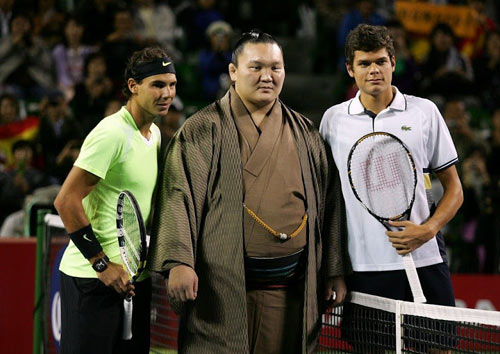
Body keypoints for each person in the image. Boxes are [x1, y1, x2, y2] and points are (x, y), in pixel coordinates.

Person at [149, 30, 347, 354]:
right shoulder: (202, 129)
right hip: (220, 296)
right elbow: (178, 196)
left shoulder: (305, 133)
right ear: (232, 72)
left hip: (290, 294)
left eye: (275, 67)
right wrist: (178, 262)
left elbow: (330, 206)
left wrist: (335, 269)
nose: (267, 76)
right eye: (256, 67)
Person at [319, 24, 463, 351]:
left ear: (393, 62)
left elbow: (455, 189)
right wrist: (335, 268)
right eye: (365, 63)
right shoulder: (333, 121)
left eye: (381, 61)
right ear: (349, 69)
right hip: (364, 269)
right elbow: (328, 202)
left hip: (425, 260)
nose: (374, 70)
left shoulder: (425, 112)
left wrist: (428, 229)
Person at [54, 46, 177, 354]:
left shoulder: (155, 135)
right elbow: (66, 200)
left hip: (135, 280)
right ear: (133, 87)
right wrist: (102, 264)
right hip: (94, 281)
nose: (167, 93)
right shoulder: (111, 133)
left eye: (172, 84)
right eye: (157, 85)